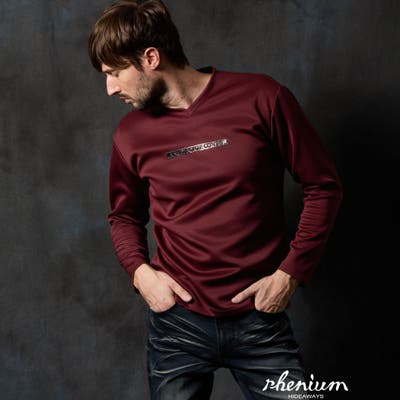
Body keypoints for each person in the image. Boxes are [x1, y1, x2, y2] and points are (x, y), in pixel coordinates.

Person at [88, 1, 343, 399]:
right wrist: (141, 274)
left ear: (151, 58)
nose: (110, 88)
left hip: (260, 320)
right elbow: (124, 216)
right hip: (177, 326)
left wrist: (290, 274)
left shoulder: (262, 97)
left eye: (115, 72)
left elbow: (323, 186)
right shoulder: (130, 134)